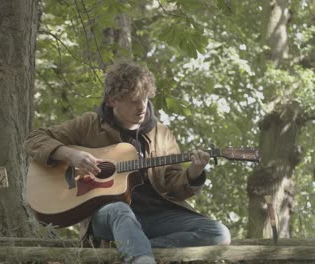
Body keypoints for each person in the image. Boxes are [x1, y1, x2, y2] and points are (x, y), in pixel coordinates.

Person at [23, 61, 231, 264]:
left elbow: (174, 187)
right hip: (110, 217)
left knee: (219, 234)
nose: (142, 107)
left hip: (157, 217)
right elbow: (34, 139)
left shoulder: (162, 133)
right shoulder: (90, 125)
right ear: (113, 100)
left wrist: (194, 173)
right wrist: (71, 155)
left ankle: (132, 249)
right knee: (120, 209)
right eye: (133, 101)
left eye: (145, 99)